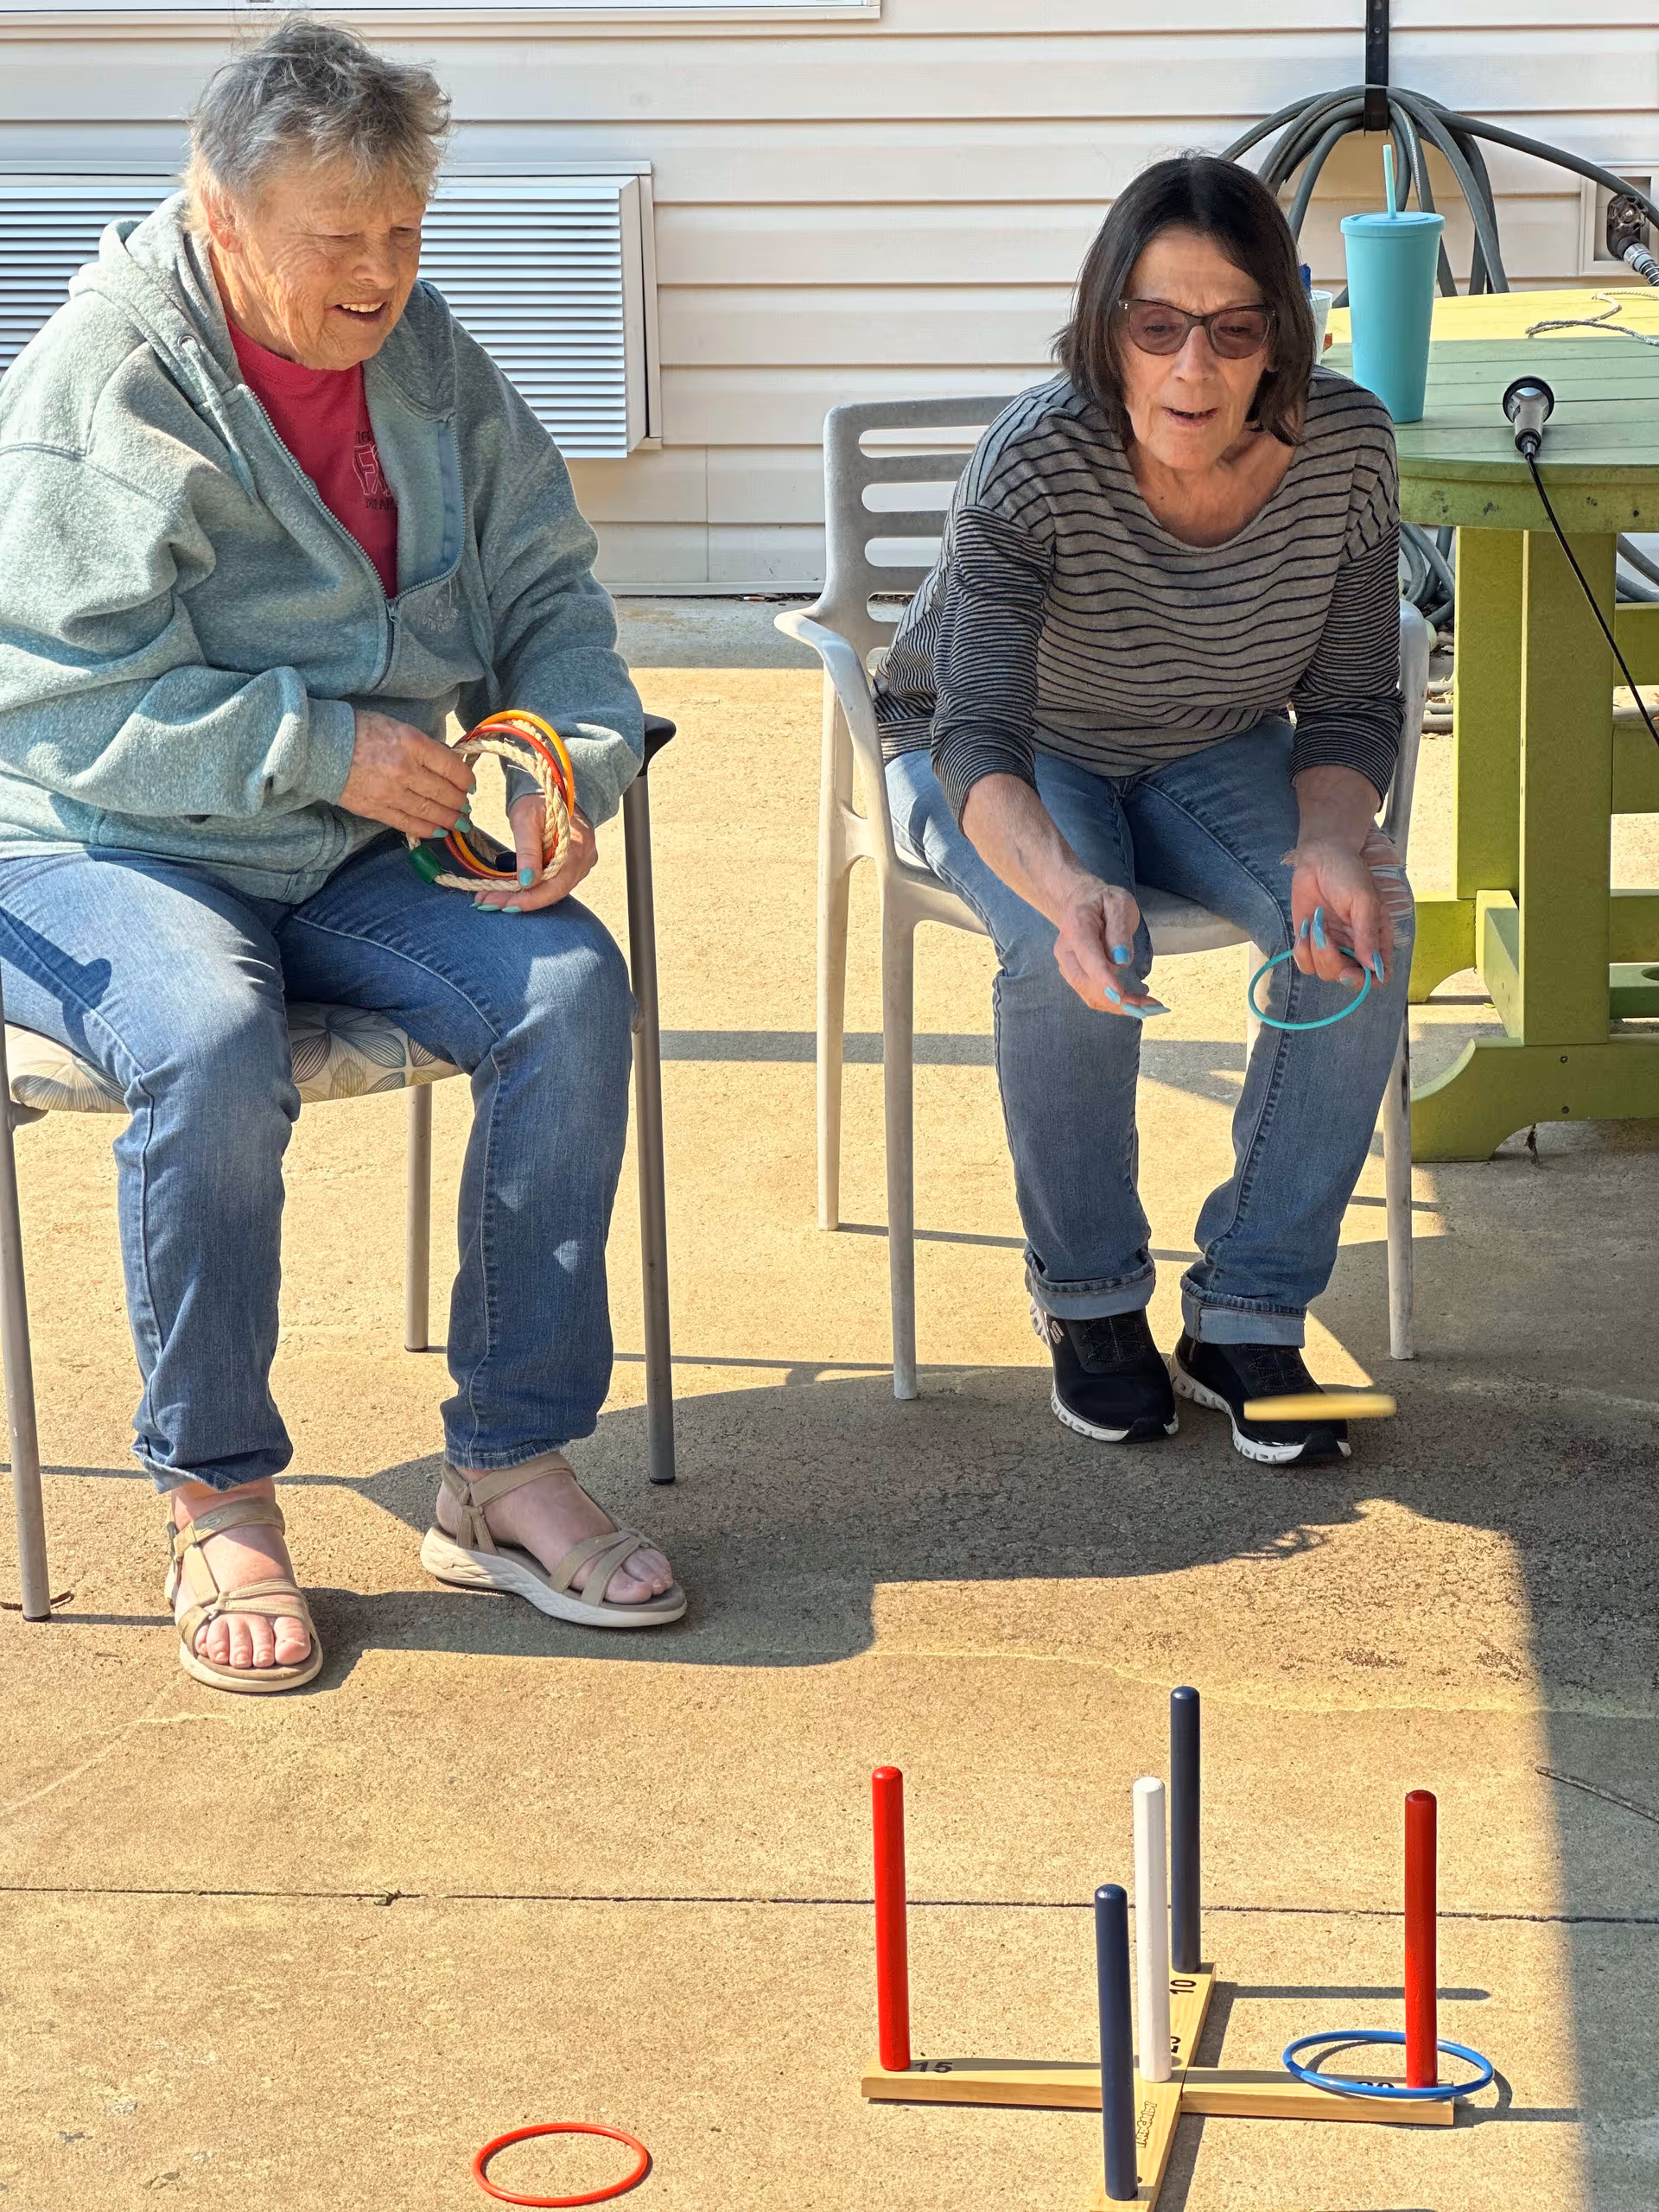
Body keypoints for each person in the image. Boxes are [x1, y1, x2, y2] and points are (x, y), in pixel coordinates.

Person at [0, 20, 684, 1693]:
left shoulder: (432, 355)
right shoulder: (106, 375)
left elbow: (550, 603)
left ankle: (503, 1466)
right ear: (224, 219)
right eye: (338, 241)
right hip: (108, 840)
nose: (382, 273)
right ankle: (218, 1489)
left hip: (367, 835)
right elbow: (56, 697)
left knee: (567, 989)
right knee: (211, 1036)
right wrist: (328, 747)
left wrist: (561, 768)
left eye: (404, 231)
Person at [875, 154, 1412, 1466]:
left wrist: (1336, 842)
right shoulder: (1036, 461)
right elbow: (977, 729)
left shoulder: (1347, 446)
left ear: (1282, 336)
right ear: (1106, 321)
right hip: (1016, 753)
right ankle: (1091, 1302)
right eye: (1157, 326)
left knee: (1357, 936)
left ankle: (1246, 1311)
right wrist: (1063, 889)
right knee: (1070, 956)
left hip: (1216, 737)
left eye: (1235, 331)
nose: (1194, 369)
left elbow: (1346, 709)